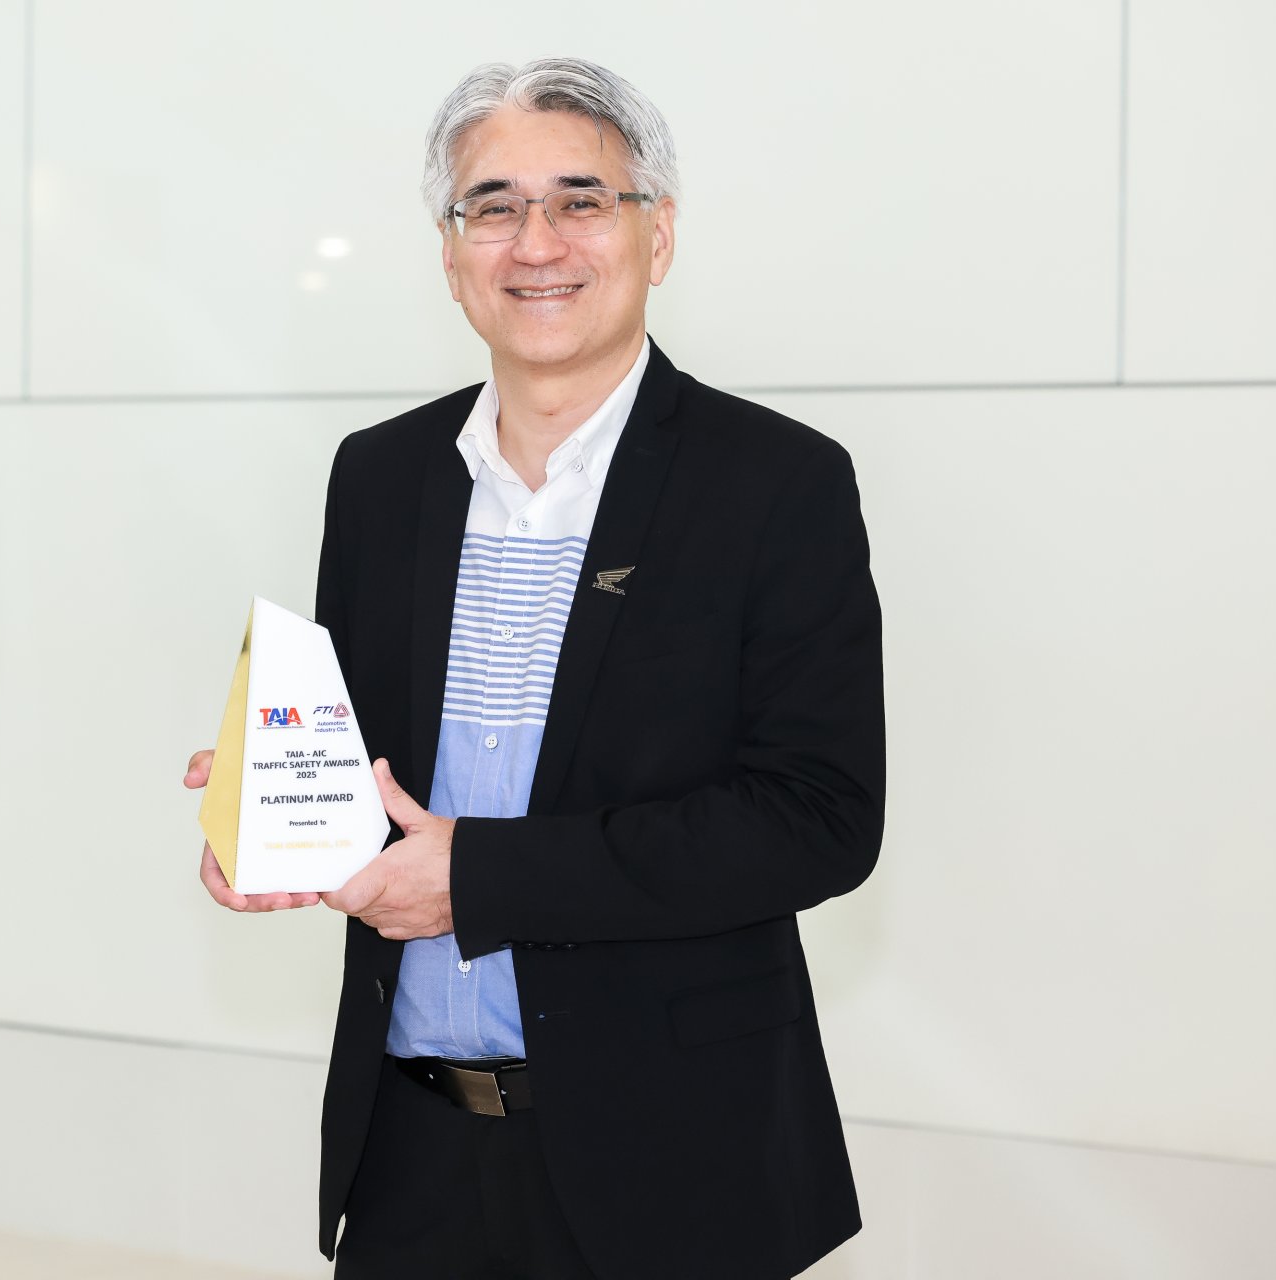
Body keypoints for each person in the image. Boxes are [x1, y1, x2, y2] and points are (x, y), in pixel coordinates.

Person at [183, 57, 883, 1280]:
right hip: (409, 1154)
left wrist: (480, 877)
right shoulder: (381, 476)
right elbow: (380, 773)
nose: (537, 242)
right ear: (451, 257)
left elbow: (818, 819)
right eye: (494, 207)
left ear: (657, 233)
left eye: (581, 200)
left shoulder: (775, 482)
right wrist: (281, 811)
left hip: (674, 1163)